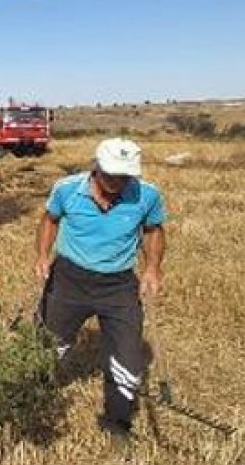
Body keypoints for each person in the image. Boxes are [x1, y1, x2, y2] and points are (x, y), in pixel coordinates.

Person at [34, 138, 167, 446]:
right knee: (47, 345)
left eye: (125, 176)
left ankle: (117, 422)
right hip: (69, 278)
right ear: (96, 166)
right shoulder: (66, 188)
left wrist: (152, 268)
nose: (118, 182)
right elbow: (49, 220)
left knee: (127, 357)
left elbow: (153, 230)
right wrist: (43, 255)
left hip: (118, 285)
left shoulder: (147, 195)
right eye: (111, 175)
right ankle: (31, 399)